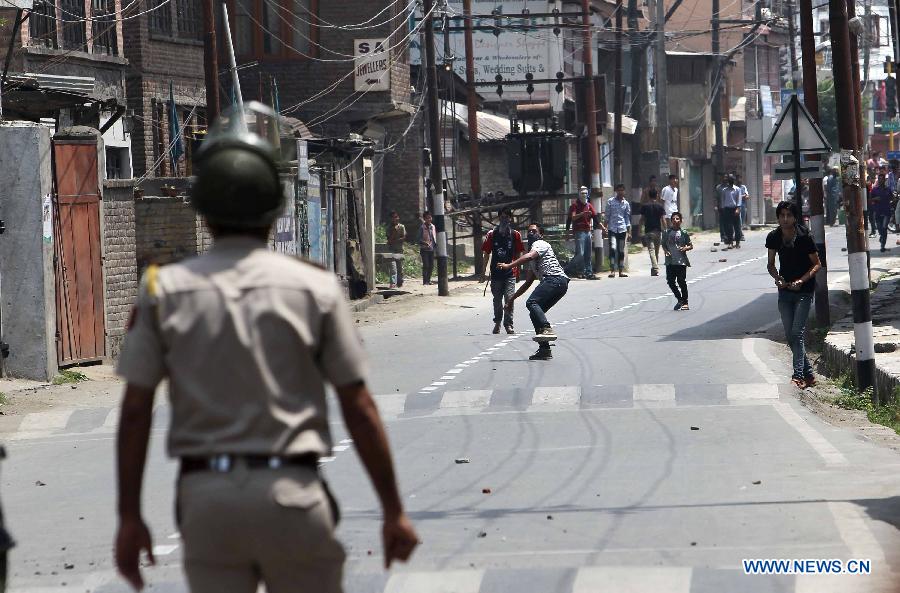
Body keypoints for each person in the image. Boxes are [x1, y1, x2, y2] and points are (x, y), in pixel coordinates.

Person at [113, 102, 419, 593]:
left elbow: (134, 412)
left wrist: (129, 517)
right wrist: (393, 512)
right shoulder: (314, 288)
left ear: (204, 211)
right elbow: (358, 407)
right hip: (293, 497)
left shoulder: (162, 292)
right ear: (276, 208)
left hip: (205, 504)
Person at [766, 200, 822, 389]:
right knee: (790, 336)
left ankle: (798, 376)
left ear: (795, 218)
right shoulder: (774, 237)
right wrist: (778, 278)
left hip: (804, 292)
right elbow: (771, 264)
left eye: (789, 215)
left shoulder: (805, 237)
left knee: (797, 333)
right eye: (782, 215)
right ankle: (809, 374)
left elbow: (817, 264)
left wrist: (802, 280)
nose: (785, 219)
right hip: (785, 291)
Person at [497, 223, 569, 361]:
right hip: (559, 284)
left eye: (534, 231)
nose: (531, 234)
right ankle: (544, 349)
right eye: (529, 231)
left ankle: (546, 328)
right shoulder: (532, 254)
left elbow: (529, 256)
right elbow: (528, 282)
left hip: (554, 279)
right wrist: (511, 300)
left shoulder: (540, 244)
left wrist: (509, 266)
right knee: (534, 312)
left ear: (540, 234)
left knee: (532, 302)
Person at [481, 208, 525, 334]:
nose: (504, 219)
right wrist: (483, 273)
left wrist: (518, 271)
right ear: (498, 218)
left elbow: (519, 253)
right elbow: (486, 253)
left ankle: (508, 324)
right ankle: (498, 322)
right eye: (502, 217)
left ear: (510, 219)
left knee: (509, 299)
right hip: (495, 274)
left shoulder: (515, 234)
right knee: (497, 300)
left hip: (510, 273)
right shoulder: (491, 234)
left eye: (506, 217)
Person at [662, 212, 693, 311]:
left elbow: (690, 245)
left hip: (681, 262)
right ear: (671, 221)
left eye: (677, 219)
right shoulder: (667, 232)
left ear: (681, 220)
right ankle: (679, 299)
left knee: (681, 281)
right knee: (670, 281)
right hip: (670, 262)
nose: (675, 221)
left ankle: (685, 302)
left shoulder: (684, 232)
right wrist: (666, 251)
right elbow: (663, 244)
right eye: (673, 219)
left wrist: (685, 248)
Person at [565, 186, 597, 279]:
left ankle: (588, 272)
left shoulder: (589, 205)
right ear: (579, 194)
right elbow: (572, 218)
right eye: (582, 193)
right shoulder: (575, 205)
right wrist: (583, 214)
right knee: (580, 254)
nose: (584, 195)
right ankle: (566, 269)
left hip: (588, 232)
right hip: (579, 232)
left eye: (585, 193)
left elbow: (595, 218)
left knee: (588, 254)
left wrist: (602, 227)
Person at [605, 183, 631, 278]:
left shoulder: (626, 204)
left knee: (621, 250)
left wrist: (629, 231)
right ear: (616, 191)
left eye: (622, 190)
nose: (620, 192)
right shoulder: (610, 201)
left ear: (624, 192)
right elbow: (607, 216)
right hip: (612, 229)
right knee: (612, 249)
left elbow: (627, 218)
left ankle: (621, 270)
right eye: (618, 190)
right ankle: (612, 270)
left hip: (622, 229)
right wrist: (605, 227)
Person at [639, 188, 666, 276]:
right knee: (656, 251)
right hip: (658, 232)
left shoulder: (645, 207)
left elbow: (641, 220)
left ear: (648, 196)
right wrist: (665, 230)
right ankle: (655, 268)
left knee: (651, 251)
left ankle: (655, 268)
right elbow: (663, 219)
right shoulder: (660, 206)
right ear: (657, 195)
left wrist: (640, 231)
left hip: (648, 232)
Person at [871, 171, 893, 252]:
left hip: (886, 212)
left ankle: (882, 245)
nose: (880, 181)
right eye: (879, 179)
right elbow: (869, 200)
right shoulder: (874, 190)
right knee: (880, 230)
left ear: (884, 180)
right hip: (877, 212)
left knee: (884, 228)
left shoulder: (888, 190)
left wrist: (892, 202)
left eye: (882, 179)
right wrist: (875, 199)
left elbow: (892, 198)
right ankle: (882, 237)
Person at [719, 175, 743, 249]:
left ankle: (738, 242)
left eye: (732, 180)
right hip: (727, 209)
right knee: (728, 227)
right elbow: (723, 200)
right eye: (729, 180)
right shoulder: (724, 190)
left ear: (734, 181)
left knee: (737, 227)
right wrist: (723, 209)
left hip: (735, 209)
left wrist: (738, 208)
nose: (730, 181)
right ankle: (730, 242)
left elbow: (739, 199)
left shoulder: (737, 189)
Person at [416, 212, 437, 285]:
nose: (429, 219)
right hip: (424, 249)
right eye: (427, 218)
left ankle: (428, 280)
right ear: (424, 219)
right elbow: (418, 239)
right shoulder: (422, 227)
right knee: (426, 265)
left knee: (431, 265)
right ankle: (425, 281)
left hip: (431, 249)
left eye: (430, 217)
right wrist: (424, 243)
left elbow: (434, 237)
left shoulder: (433, 227)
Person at [386, 211, 406, 289]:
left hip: (399, 250)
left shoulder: (401, 227)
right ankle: (393, 283)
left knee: (400, 267)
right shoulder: (388, 228)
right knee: (393, 268)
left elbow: (404, 237)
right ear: (391, 219)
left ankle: (400, 282)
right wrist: (394, 232)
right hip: (391, 250)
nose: (396, 219)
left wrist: (397, 240)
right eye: (394, 217)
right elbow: (389, 240)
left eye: (397, 217)